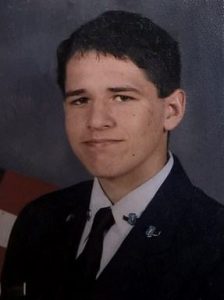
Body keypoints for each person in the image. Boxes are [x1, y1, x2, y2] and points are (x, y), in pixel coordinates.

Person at [1, 10, 224, 300]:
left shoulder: (215, 242)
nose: (96, 121)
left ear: (172, 110)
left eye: (122, 97)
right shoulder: (39, 220)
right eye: (80, 100)